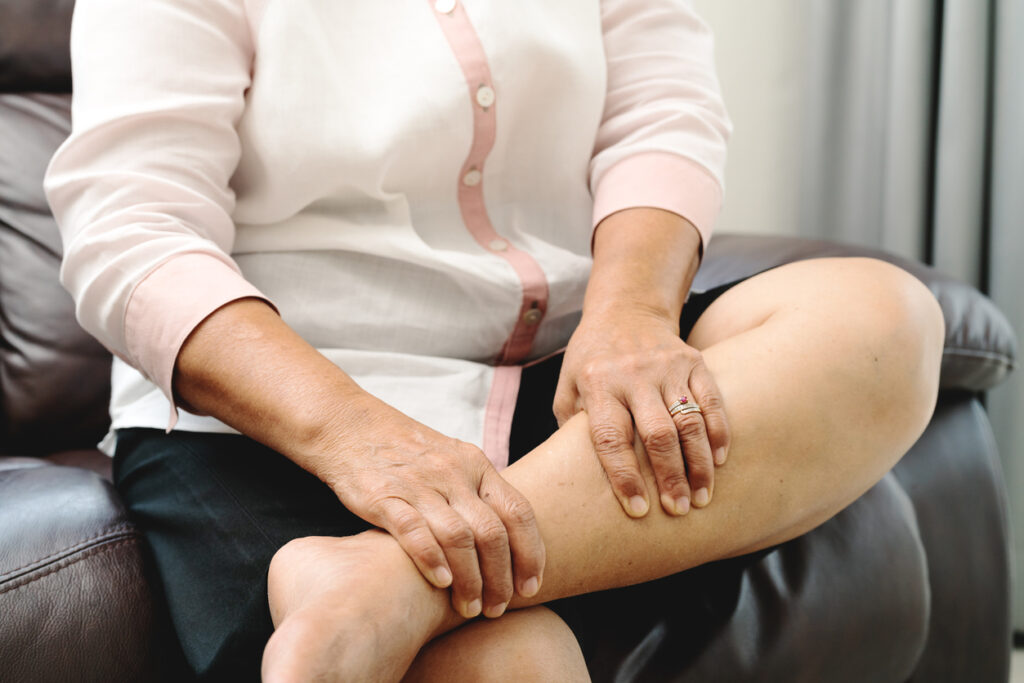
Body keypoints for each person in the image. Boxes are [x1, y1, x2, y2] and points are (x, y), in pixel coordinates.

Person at [44, 0, 946, 680]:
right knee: (510, 665)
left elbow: (661, 112)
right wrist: (357, 436)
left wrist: (630, 312)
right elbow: (132, 229)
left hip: (565, 373)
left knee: (882, 321)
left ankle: (385, 584)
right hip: (283, 414)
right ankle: (413, 580)